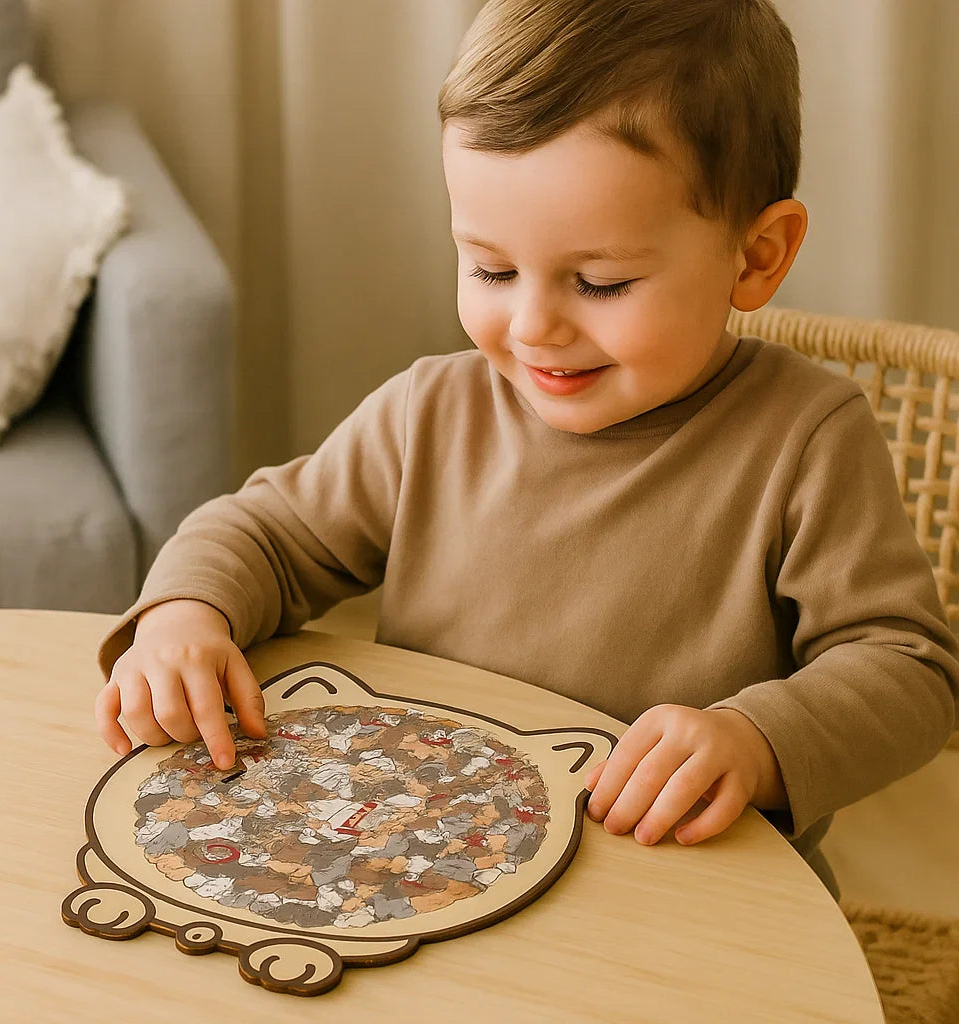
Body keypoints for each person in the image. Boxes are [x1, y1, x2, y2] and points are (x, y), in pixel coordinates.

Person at [95, 0, 959, 899]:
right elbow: (265, 533)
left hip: (683, 893)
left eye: (600, 282)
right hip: (426, 867)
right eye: (492, 270)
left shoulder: (806, 439)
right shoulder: (432, 411)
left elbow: (907, 669)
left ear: (756, 255)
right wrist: (184, 617)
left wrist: (757, 739)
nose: (535, 325)